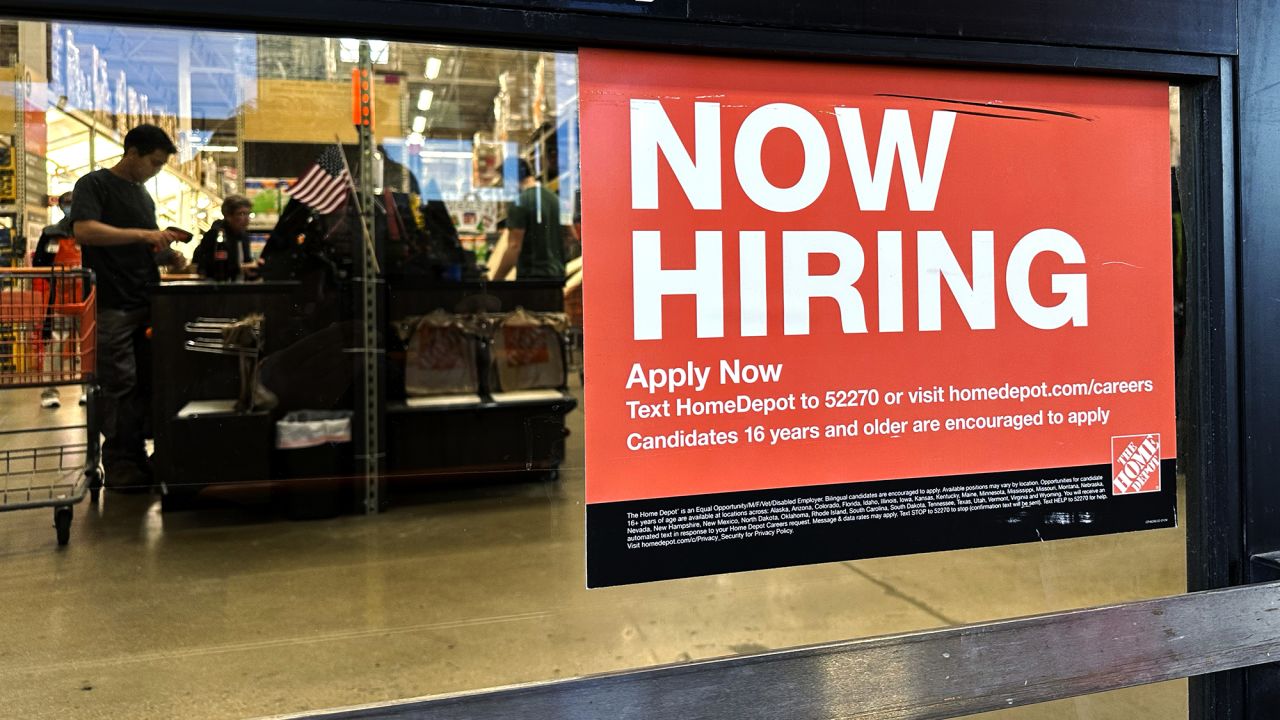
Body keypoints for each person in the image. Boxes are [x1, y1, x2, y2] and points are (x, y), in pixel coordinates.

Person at [70, 124, 185, 491]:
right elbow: (85, 231)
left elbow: (144, 246)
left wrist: (169, 254)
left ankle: (139, 457)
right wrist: (143, 235)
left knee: (148, 382)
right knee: (119, 385)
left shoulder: (142, 197)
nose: (157, 170)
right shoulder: (94, 185)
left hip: (145, 301)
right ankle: (119, 462)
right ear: (132, 153)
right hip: (112, 305)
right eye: (154, 162)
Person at [33, 192, 83, 409]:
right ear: (60, 206)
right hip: (61, 300)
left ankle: (88, 389)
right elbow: (38, 264)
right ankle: (49, 392)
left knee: (89, 347)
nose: (69, 207)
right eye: (66, 204)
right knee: (56, 344)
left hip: (87, 299)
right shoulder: (51, 233)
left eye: (73, 204)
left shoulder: (89, 232)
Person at [488, 159, 565, 281]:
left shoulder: (520, 202)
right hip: (558, 278)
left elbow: (514, 246)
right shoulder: (555, 199)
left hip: (532, 280)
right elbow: (570, 237)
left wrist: (496, 280)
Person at [193, 195, 253, 281]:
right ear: (228, 216)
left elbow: (246, 261)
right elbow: (210, 266)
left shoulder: (243, 236)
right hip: (217, 287)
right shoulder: (215, 235)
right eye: (241, 214)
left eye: (248, 214)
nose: (247, 219)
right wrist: (240, 268)